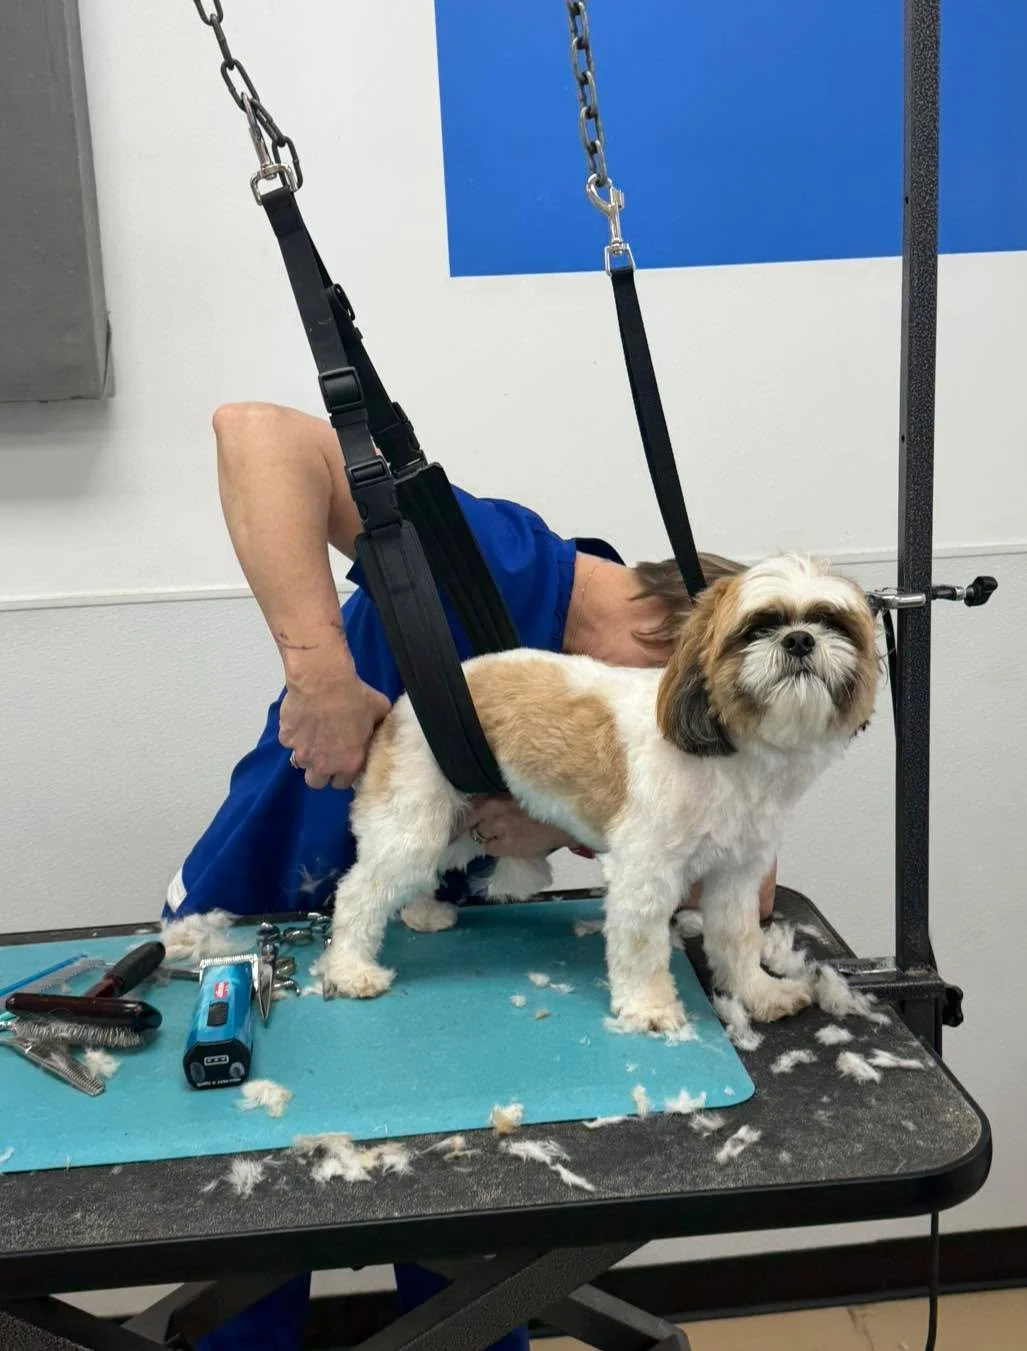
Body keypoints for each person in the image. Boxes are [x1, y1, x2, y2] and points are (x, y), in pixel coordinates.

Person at [174, 401, 777, 1351]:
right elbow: (256, 433)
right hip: (258, 909)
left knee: (467, 1266)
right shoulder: (491, 556)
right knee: (251, 1262)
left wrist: (566, 822)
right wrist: (317, 671)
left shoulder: (616, 707)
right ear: (663, 635)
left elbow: (748, 881)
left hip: (442, 964)